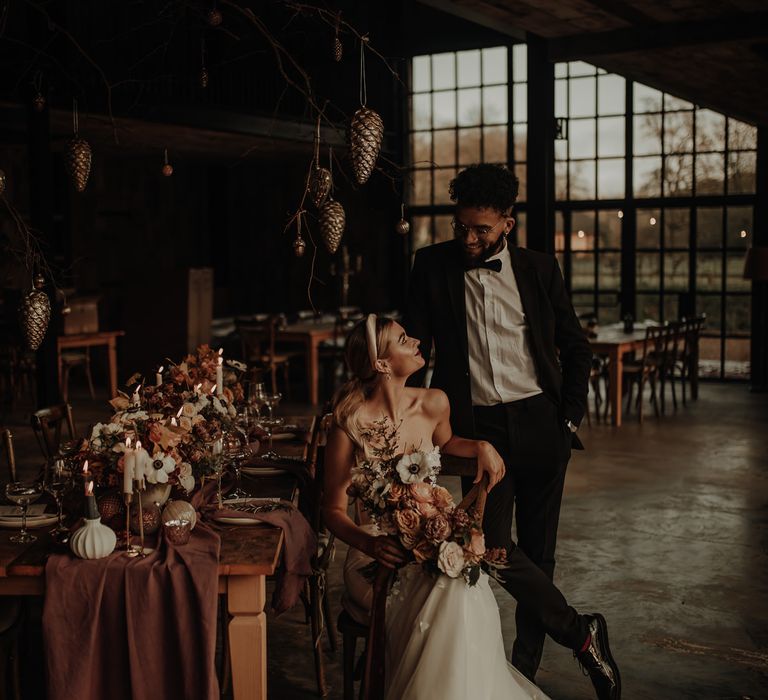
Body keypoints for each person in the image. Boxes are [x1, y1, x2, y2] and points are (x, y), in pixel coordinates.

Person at [403, 163, 620, 697]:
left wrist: (568, 417)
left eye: (482, 229)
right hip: (480, 432)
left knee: (539, 554)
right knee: (490, 547)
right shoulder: (430, 266)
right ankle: (582, 633)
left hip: (541, 422)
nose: (470, 238)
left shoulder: (541, 270)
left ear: (508, 222)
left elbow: (575, 347)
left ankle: (523, 673)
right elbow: (413, 349)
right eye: (462, 228)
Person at [323, 315, 620, 700]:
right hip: (376, 551)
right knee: (448, 590)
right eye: (402, 338)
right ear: (381, 364)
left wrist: (480, 446)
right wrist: (370, 545)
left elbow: (447, 445)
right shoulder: (349, 422)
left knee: (460, 585)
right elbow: (330, 510)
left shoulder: (434, 403)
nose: (416, 340)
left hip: (429, 538)